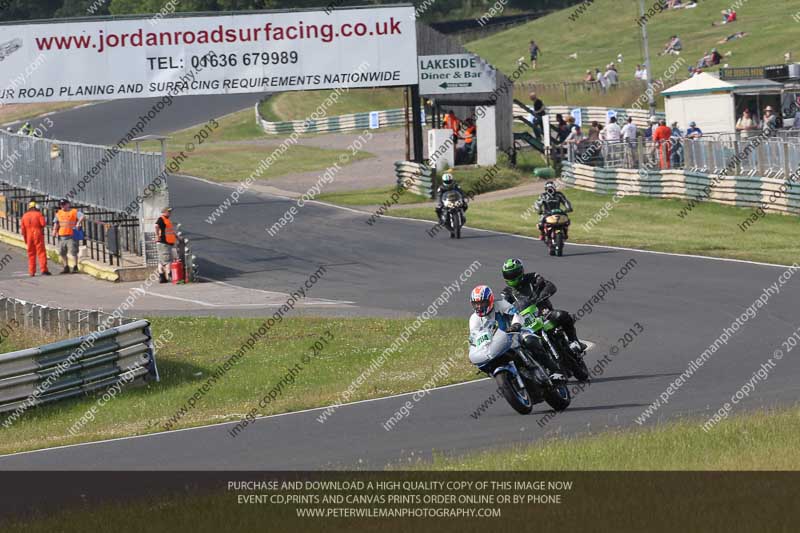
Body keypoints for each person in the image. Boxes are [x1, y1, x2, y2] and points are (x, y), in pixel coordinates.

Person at [469, 285, 564, 380]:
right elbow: (475, 335)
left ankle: (554, 370)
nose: (479, 306)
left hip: (515, 333)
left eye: (482, 303)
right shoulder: (474, 319)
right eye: (476, 304)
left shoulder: (500, 304)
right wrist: (475, 349)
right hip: (496, 343)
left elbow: (516, 314)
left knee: (529, 340)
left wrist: (516, 324)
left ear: (490, 300)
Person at [499, 258, 587, 356]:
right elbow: (504, 310)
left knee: (562, 315)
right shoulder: (506, 293)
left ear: (520, 272)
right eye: (508, 275)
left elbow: (550, 286)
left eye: (513, 274)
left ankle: (574, 341)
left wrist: (540, 297)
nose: (511, 277)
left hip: (543, 312)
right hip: (526, 322)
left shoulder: (533, 277)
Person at [52, 199, 84, 274]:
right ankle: (66, 266)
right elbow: (56, 222)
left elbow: (82, 216)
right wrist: (54, 230)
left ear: (68, 204)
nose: (62, 206)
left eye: (64, 204)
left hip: (71, 235)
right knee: (62, 252)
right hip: (62, 235)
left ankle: (75, 266)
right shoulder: (58, 213)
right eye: (61, 205)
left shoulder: (74, 212)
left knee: (73, 251)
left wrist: (78, 222)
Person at [20, 201, 50, 277]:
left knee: (31, 254)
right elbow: (43, 224)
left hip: (28, 235)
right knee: (41, 253)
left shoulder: (24, 216)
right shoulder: (38, 214)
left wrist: (25, 238)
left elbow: (22, 229)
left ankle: (31, 272)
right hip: (37, 234)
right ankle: (44, 270)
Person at [155, 206, 177, 283]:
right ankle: (170, 276)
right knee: (167, 261)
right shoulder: (161, 219)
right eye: (168, 211)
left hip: (166, 243)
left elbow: (170, 230)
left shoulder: (167, 220)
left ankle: (162, 277)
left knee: (162, 261)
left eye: (170, 212)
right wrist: (158, 236)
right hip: (163, 243)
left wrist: (177, 237)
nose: (170, 213)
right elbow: (156, 226)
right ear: (164, 212)